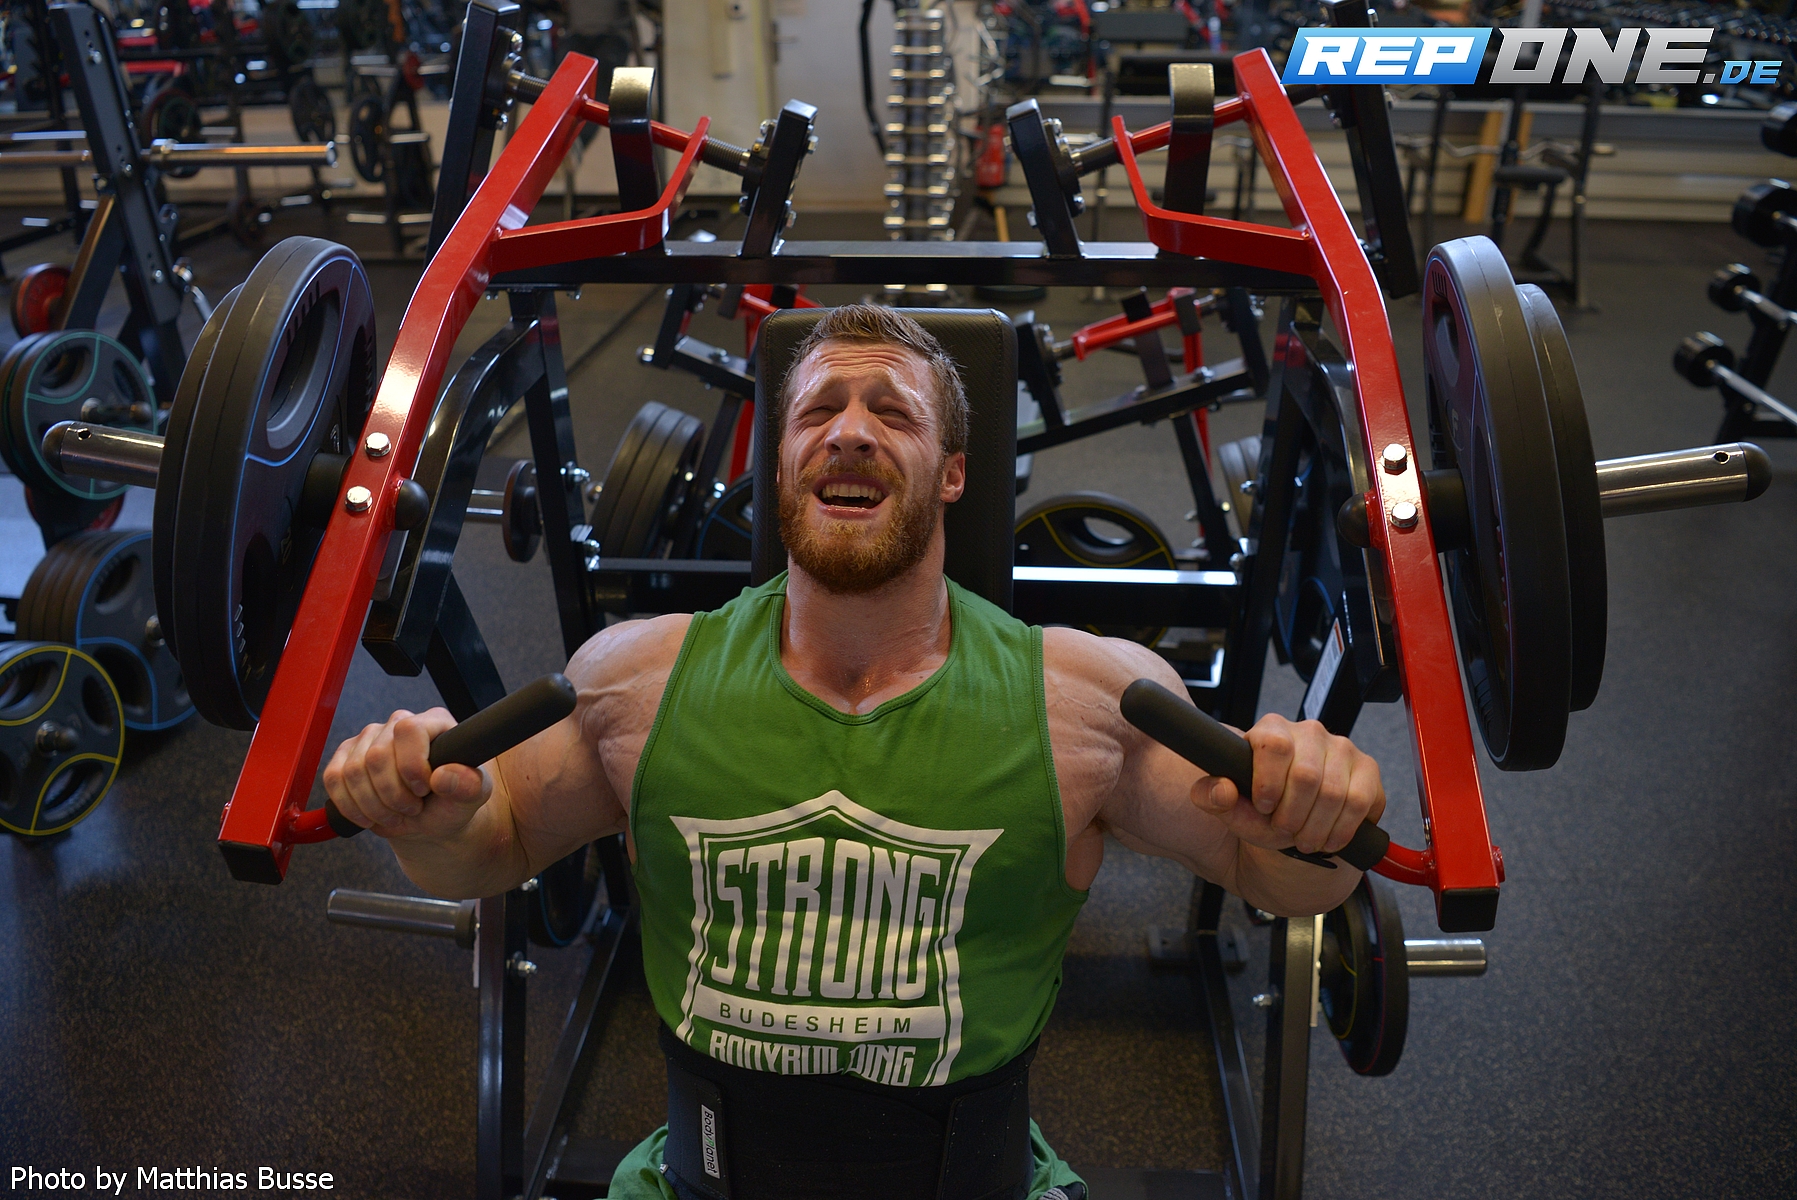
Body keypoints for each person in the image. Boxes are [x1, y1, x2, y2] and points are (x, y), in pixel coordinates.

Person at [324, 305, 1386, 1200]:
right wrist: (432, 818)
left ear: (955, 474)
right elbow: (492, 845)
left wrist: (1320, 811)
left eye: (894, 413)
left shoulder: (1085, 701)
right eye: (818, 411)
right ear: (780, 464)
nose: (849, 433)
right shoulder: (634, 681)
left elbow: (1280, 878)